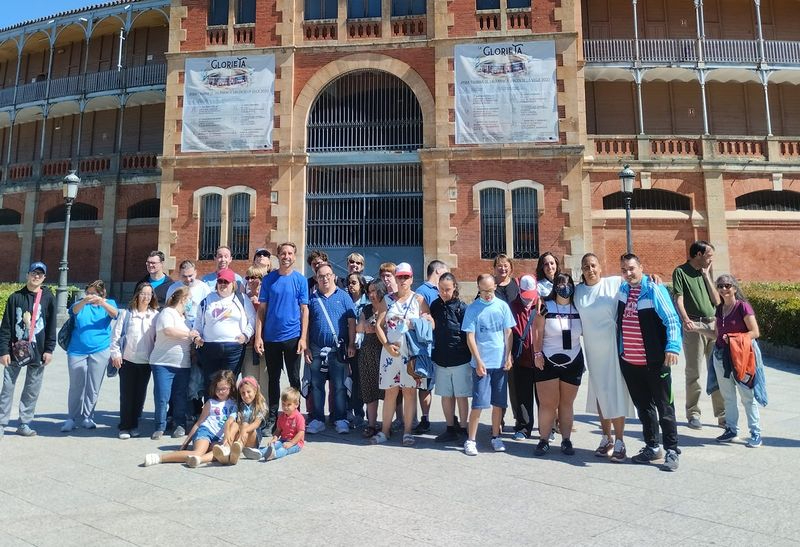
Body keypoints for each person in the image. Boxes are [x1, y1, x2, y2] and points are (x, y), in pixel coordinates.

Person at [617, 253, 683, 472]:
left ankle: (672, 450)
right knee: (644, 408)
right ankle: (653, 446)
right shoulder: (622, 291)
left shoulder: (654, 289)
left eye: (632, 268)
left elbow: (672, 319)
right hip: (630, 362)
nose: (628, 273)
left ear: (641, 267)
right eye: (624, 270)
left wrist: (672, 346)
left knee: (665, 407)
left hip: (654, 361)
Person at [574, 253, 636, 462]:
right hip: (593, 349)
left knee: (615, 391)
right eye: (585, 267)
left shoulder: (614, 283)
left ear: (600, 267)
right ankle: (606, 437)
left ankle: (620, 441)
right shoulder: (578, 292)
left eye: (593, 265)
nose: (590, 270)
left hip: (612, 347)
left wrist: (652, 278)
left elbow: (635, 283)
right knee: (600, 391)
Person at [370, 262, 434, 446]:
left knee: (409, 392)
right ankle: (385, 431)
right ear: (395, 279)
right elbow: (379, 326)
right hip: (391, 353)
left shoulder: (419, 300)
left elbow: (431, 325)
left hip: (412, 354)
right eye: (400, 277)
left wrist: (423, 321)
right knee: (390, 393)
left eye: (407, 277)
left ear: (412, 279)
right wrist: (386, 345)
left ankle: (407, 432)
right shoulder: (387, 300)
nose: (403, 280)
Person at [704, 274, 764, 448]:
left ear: (735, 288)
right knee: (728, 397)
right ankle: (731, 430)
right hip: (722, 357)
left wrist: (733, 338)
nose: (724, 289)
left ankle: (755, 432)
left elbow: (755, 332)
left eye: (727, 286)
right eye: (720, 286)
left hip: (742, 357)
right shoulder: (720, 309)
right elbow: (716, 335)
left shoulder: (742, 307)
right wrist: (698, 329)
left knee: (747, 396)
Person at [254, 242, 309, 431]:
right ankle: (273, 417)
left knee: (294, 379)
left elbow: (304, 310)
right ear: (277, 256)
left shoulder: (300, 280)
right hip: (271, 338)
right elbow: (261, 310)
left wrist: (303, 338)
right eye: (283, 253)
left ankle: (296, 416)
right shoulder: (269, 280)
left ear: (294, 256)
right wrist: (258, 337)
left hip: (293, 337)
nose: (286, 256)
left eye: (290, 253)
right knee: (273, 379)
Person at [0, 261, 57, 439]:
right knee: (8, 387)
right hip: (15, 350)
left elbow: (51, 326)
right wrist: (3, 351)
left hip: (38, 351)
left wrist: (49, 349)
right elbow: (6, 327)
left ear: (44, 277)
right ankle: (1, 423)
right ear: (27, 275)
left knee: (32, 387)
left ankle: (24, 423)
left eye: (40, 274)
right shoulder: (15, 297)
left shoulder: (48, 298)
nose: (36, 276)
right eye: (34, 273)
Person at [672, 241, 725, 430]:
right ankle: (693, 413)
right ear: (698, 255)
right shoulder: (680, 272)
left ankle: (722, 414)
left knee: (718, 369)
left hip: (712, 323)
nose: (711, 259)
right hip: (694, 324)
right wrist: (685, 319)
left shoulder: (705, 273)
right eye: (709, 255)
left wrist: (706, 275)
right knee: (693, 371)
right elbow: (678, 298)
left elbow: (716, 300)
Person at [462, 274, 515, 456]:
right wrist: (478, 360)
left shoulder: (502, 306)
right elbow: (470, 336)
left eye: (491, 290)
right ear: (478, 289)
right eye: (484, 291)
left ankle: (495, 436)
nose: (488, 294)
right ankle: (471, 440)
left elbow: (508, 332)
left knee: (498, 403)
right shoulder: (473, 309)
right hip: (481, 363)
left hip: (499, 362)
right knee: (478, 403)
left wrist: (508, 356)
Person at [532, 273, 584, 457]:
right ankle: (544, 439)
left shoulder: (579, 308)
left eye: (568, 283)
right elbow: (536, 330)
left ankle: (566, 439)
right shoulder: (545, 306)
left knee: (566, 403)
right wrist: (537, 353)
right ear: (554, 286)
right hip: (548, 361)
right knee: (548, 404)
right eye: (560, 283)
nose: (564, 286)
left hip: (573, 361)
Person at [144, 370, 238, 468]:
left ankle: (199, 460)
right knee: (198, 452)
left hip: (220, 437)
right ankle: (159, 458)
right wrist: (186, 442)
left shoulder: (234, 404)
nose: (220, 391)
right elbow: (199, 423)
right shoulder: (210, 403)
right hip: (206, 431)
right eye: (218, 388)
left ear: (231, 388)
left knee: (222, 452)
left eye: (224, 389)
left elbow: (231, 422)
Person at [305, 263, 357, 434]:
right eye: (321, 276)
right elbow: (305, 324)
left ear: (334, 276)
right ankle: (318, 419)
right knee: (316, 385)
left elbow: (351, 322)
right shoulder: (311, 299)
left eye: (328, 275)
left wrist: (351, 344)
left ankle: (340, 418)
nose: (325, 278)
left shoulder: (344, 297)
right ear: (316, 279)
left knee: (340, 385)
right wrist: (306, 347)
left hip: (338, 350)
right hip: (316, 349)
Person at [62, 280, 119, 432]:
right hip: (77, 350)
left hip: (100, 349)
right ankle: (71, 418)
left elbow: (115, 314)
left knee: (93, 386)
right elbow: (73, 311)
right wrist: (85, 300)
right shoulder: (81, 304)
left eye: (94, 293)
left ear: (102, 294)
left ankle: (88, 416)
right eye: (88, 292)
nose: (90, 296)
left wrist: (102, 303)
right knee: (76, 385)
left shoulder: (109, 303)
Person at [109, 282, 158, 439]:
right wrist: (116, 354)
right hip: (127, 360)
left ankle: (135, 424)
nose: (146, 297)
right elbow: (116, 336)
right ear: (137, 294)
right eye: (143, 294)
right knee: (127, 394)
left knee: (140, 394)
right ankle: (124, 426)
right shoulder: (127, 313)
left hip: (146, 361)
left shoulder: (155, 315)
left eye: (149, 294)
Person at [148, 287, 198, 439]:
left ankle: (180, 424)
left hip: (182, 364)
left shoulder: (186, 318)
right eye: (189, 299)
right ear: (183, 299)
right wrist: (189, 334)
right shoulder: (167, 312)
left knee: (181, 396)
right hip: (163, 362)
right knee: (162, 395)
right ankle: (160, 426)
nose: (191, 303)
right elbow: (168, 331)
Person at [193, 268, 256, 387]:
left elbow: (252, 319)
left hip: (233, 348)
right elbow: (198, 322)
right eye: (220, 281)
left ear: (233, 284)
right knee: (211, 384)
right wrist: (197, 336)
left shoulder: (241, 299)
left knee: (229, 384)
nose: (223, 285)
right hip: (210, 347)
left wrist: (246, 335)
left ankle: (229, 406)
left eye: (226, 282)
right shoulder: (207, 300)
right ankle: (210, 405)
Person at [429, 272, 471, 443]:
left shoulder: (462, 308)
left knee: (461, 395)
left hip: (460, 358)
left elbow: (468, 333)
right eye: (441, 289)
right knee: (446, 395)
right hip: (441, 358)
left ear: (454, 288)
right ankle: (449, 428)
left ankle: (463, 428)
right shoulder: (434, 306)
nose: (444, 292)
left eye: (447, 289)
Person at [413, 260, 449, 434]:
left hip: (441, 345)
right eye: (445, 273)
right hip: (428, 346)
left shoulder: (438, 291)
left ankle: (450, 419)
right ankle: (425, 418)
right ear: (437, 272)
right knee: (426, 385)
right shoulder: (422, 292)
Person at [508, 274, 539, 440]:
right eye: (525, 296)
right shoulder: (512, 307)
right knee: (522, 395)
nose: (528, 300)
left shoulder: (541, 305)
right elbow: (508, 333)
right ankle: (523, 427)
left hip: (541, 360)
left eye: (531, 297)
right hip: (521, 358)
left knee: (544, 397)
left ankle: (548, 429)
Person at [356, 279, 387, 438]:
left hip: (386, 351)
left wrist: (375, 326)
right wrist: (369, 323)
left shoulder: (389, 306)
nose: (372, 294)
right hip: (368, 352)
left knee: (390, 391)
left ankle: (391, 423)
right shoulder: (366, 309)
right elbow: (361, 327)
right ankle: (372, 424)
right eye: (369, 291)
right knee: (370, 390)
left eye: (375, 290)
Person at [213, 375, 267, 465]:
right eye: (243, 393)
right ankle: (226, 448)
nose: (246, 395)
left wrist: (244, 429)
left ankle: (237, 448)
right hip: (239, 436)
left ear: (255, 390)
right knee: (234, 424)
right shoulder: (238, 405)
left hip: (253, 438)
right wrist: (226, 435)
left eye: (248, 392)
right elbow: (229, 420)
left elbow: (256, 424)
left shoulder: (261, 406)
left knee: (245, 424)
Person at [241, 265, 271, 404]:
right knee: (249, 382)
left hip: (265, 344)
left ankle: (263, 414)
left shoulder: (268, 298)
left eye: (256, 277)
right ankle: (250, 414)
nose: (252, 280)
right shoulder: (242, 300)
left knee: (264, 383)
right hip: (248, 346)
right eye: (249, 277)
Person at [251, 386, 306, 461]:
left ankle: (274, 454)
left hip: (296, 443)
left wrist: (291, 443)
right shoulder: (282, 416)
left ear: (296, 404)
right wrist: (275, 438)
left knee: (284, 449)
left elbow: (301, 432)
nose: (285, 407)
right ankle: (259, 453)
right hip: (283, 439)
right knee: (273, 445)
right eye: (283, 404)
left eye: (289, 404)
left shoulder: (299, 417)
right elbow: (278, 430)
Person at [346, 272, 369, 428]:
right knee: (349, 380)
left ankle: (360, 414)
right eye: (349, 282)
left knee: (360, 381)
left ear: (361, 285)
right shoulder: (345, 300)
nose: (350, 285)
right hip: (347, 346)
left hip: (363, 346)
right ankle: (347, 412)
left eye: (354, 282)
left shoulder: (367, 304)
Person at [165, 260, 211, 330]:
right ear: (179, 274)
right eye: (184, 276)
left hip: (198, 329)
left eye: (190, 276)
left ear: (195, 272)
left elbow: (208, 309)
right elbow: (168, 308)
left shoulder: (204, 288)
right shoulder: (173, 288)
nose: (188, 279)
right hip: (179, 329)